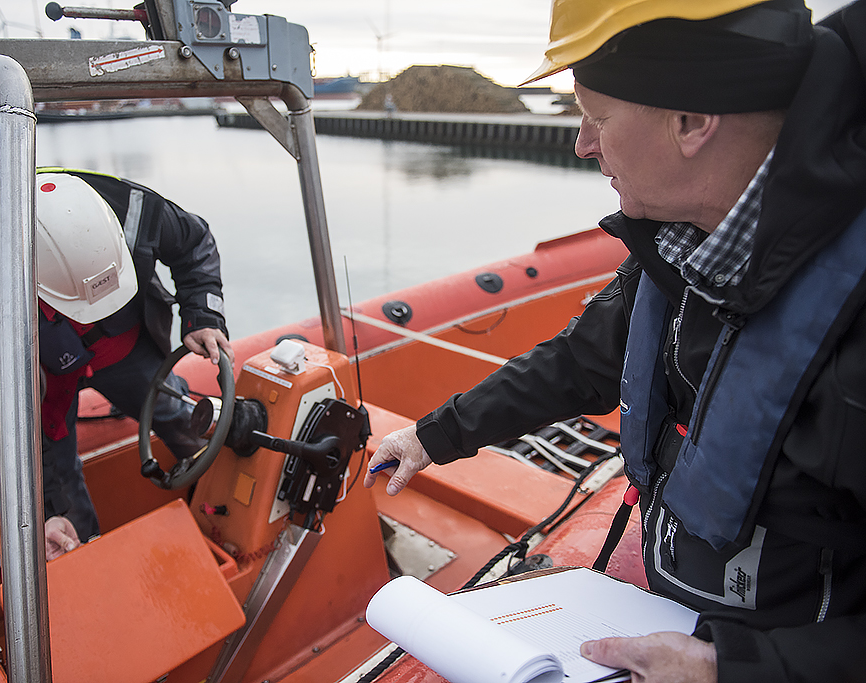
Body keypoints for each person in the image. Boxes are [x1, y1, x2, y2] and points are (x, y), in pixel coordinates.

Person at [364, 1, 866, 681]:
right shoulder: (677, 241)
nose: (581, 144)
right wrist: (433, 435)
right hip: (683, 607)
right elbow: (580, 360)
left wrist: (735, 668)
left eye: (597, 117)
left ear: (692, 120)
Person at [0, 167, 233, 559]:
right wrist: (45, 511)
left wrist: (203, 315)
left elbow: (194, 243)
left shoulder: (130, 209)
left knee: (175, 410)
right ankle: (84, 555)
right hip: (46, 380)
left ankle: (221, 508)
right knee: (61, 485)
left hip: (123, 349)